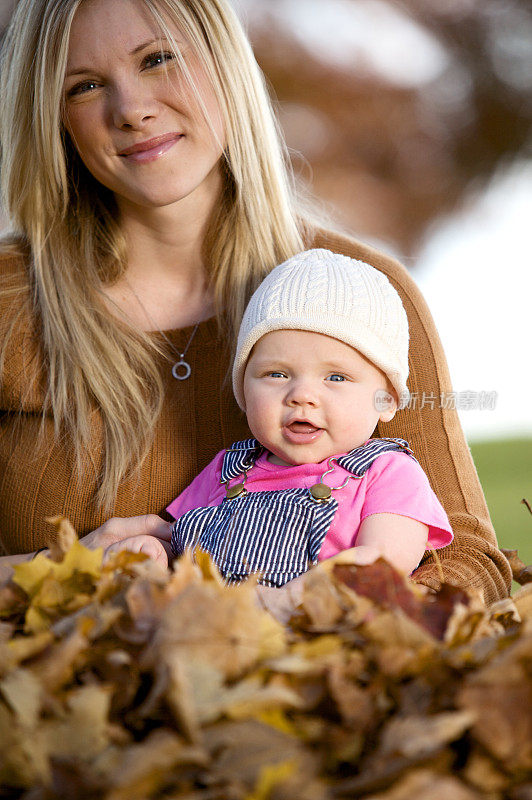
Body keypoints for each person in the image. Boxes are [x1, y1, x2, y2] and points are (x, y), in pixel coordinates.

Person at [0, 0, 510, 603]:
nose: (131, 109)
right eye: (84, 86)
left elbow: (471, 563)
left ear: (223, 65)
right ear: (52, 117)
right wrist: (62, 570)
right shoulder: (10, 301)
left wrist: (311, 619)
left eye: (159, 59)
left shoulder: (364, 295)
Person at [109, 250, 453, 586]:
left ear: (388, 400)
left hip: (317, 633)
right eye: (277, 374)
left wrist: (291, 602)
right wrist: (154, 551)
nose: (301, 395)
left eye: (335, 377)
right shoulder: (226, 471)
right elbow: (181, 547)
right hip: (210, 630)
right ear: (243, 389)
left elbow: (382, 564)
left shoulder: (389, 474)